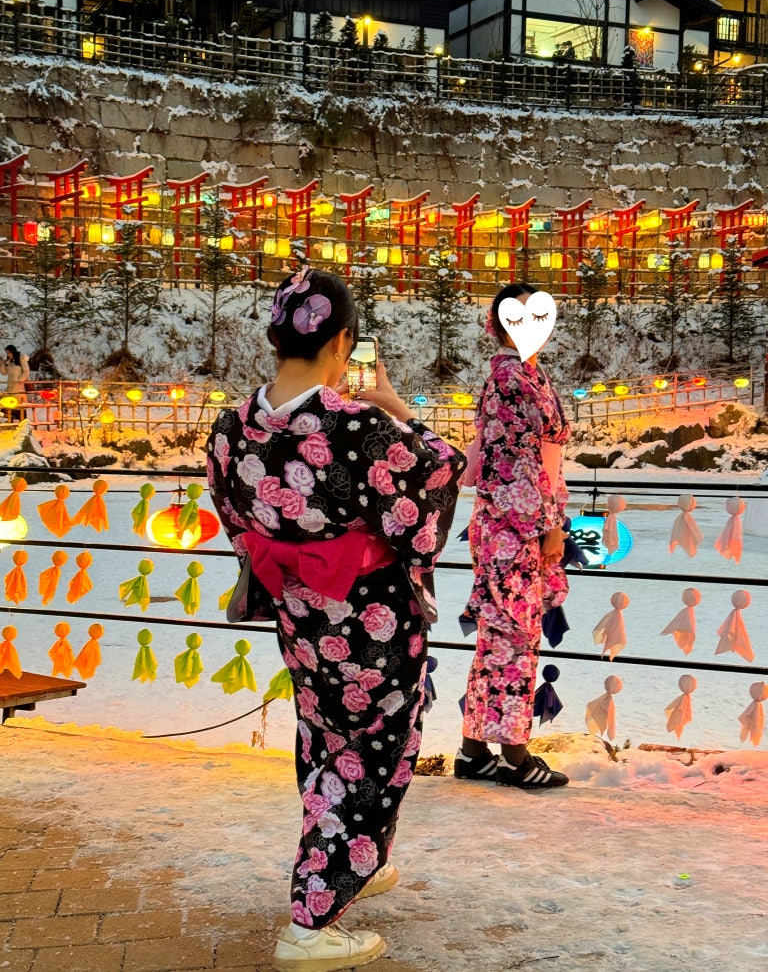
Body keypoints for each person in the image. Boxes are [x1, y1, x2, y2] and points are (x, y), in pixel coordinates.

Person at [206, 266, 465, 971]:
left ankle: (353, 861)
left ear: (277, 339)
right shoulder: (356, 425)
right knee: (372, 751)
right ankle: (311, 919)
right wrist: (401, 411)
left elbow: (236, 519)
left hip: (300, 617)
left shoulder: (232, 427)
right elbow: (437, 476)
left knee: (324, 738)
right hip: (370, 620)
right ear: (343, 342)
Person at [454, 282, 571, 790]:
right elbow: (514, 462)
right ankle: (514, 756)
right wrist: (549, 525)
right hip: (515, 522)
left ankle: (474, 751)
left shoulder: (521, 374)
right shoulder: (511, 379)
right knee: (514, 638)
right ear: (501, 324)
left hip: (511, 519)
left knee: (499, 636)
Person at [0, 344, 30, 422]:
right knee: (9, 403)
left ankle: (22, 421)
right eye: (7, 353)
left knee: (19, 404)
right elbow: (4, 373)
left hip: (19, 386)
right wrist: (2, 365)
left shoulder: (21, 359)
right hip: (10, 385)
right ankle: (10, 420)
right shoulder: (9, 362)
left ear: (13, 352)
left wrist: (20, 380)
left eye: (9, 352)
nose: (8, 355)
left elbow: (26, 371)